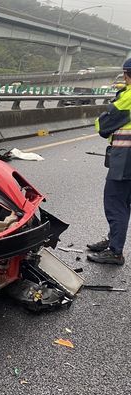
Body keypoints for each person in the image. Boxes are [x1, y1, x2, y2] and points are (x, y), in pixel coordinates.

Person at [87, 58, 131, 265]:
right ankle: (114, 240)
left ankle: (115, 251)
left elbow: (103, 125)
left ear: (126, 75)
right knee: (123, 203)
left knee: (114, 202)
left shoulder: (129, 96)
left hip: (126, 160)